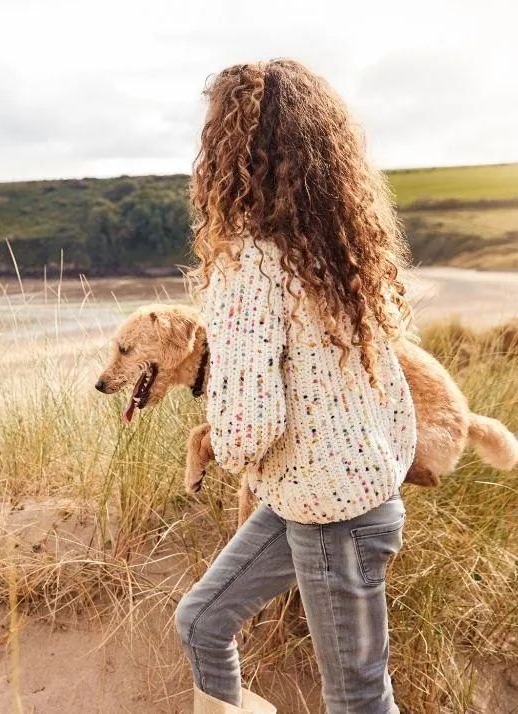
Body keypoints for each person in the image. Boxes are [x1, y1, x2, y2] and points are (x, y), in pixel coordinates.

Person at [175, 59, 417, 714]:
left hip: (338, 515)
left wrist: (232, 449)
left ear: (230, 148)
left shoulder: (250, 261)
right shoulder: (339, 247)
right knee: (202, 621)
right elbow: (389, 387)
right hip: (322, 497)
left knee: (359, 699)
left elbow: (248, 426)